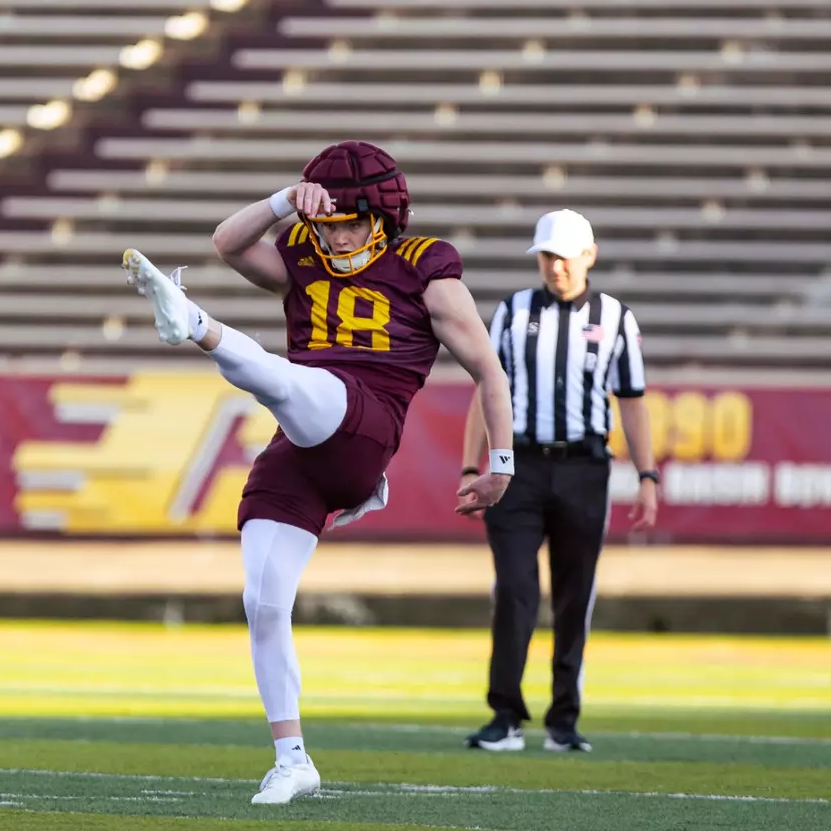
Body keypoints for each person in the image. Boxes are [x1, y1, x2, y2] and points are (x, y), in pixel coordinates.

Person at [122, 140, 515, 805]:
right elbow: (228, 240)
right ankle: (292, 757)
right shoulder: (303, 257)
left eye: (349, 223)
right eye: (324, 225)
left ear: (386, 217)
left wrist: (500, 461)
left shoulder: (427, 268)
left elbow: (489, 370)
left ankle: (191, 321)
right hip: (302, 445)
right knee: (264, 602)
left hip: (366, 419)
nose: (333, 238)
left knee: (291, 383)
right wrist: (283, 201)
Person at [461, 208, 658, 754]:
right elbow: (485, 392)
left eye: (564, 256)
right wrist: (471, 466)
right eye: (547, 256)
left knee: (575, 595)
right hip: (517, 467)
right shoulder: (513, 311)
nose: (555, 267)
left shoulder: (617, 317)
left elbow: (633, 402)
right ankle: (504, 715)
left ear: (588, 256)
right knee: (516, 590)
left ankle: (563, 718)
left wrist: (647, 473)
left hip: (584, 468)